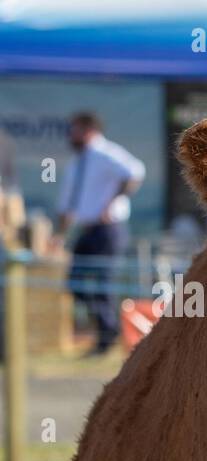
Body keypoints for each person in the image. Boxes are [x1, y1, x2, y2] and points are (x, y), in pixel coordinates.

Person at [51, 112, 145, 356]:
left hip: (108, 230)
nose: (71, 135)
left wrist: (111, 203)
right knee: (76, 283)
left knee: (103, 284)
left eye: (75, 129)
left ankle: (106, 338)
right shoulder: (78, 162)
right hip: (87, 230)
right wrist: (59, 234)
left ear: (88, 129)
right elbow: (69, 204)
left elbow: (134, 172)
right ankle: (107, 329)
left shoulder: (106, 153)